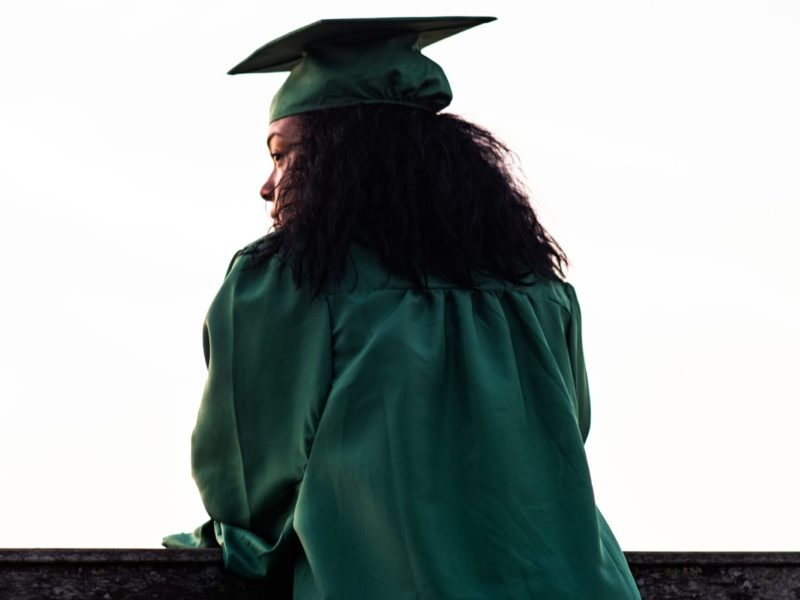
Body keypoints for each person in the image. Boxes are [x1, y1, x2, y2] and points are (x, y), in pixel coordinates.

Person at [164, 17, 641, 599]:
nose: (267, 185)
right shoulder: (538, 288)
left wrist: (231, 541)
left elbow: (248, 489)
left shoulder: (288, 281)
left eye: (283, 155)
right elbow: (563, 442)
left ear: (338, 165)